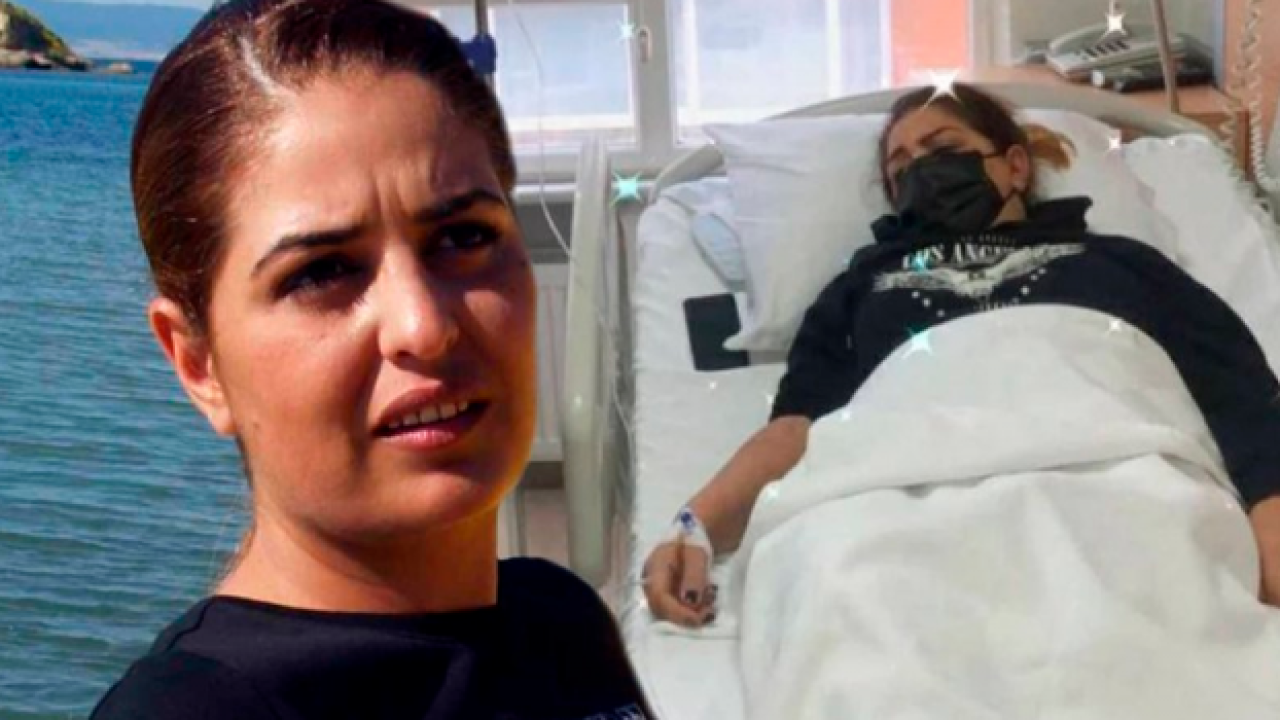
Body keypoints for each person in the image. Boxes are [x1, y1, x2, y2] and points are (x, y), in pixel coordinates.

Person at [90, 1, 653, 718]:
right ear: (198, 364)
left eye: (463, 236)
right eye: (322, 272)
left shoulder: (560, 622)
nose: (425, 326)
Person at [644, 81, 1280, 628]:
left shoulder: (1121, 261)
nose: (920, 170)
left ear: (1015, 167)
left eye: (943, 148)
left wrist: (1270, 518)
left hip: (1116, 477)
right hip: (900, 500)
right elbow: (794, 429)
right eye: (900, 168)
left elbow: (1239, 392)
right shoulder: (859, 287)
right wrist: (692, 528)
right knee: (855, 599)